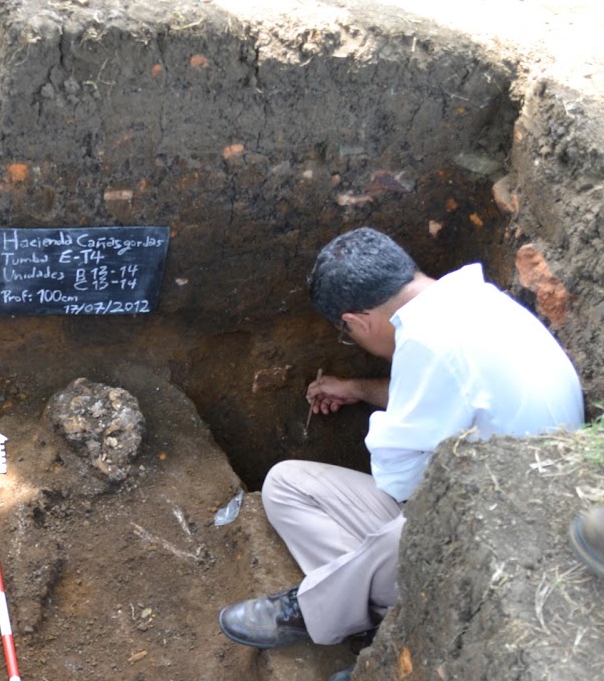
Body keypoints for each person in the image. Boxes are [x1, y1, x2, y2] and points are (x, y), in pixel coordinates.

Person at [219, 226, 584, 655]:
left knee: (407, 530)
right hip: (511, 508)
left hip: (509, 549)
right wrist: (355, 388)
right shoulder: (472, 303)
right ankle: (375, 615)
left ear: (357, 321)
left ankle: (310, 609)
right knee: (285, 484)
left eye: (347, 332)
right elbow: (444, 394)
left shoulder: (430, 343)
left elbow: (398, 482)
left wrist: (386, 430)